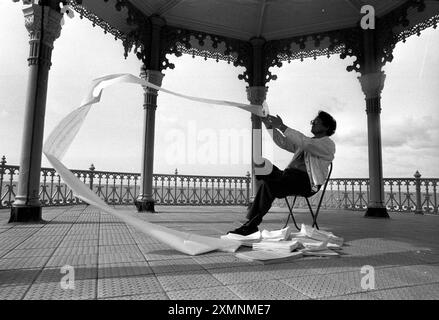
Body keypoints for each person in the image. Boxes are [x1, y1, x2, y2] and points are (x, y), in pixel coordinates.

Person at [228, 111, 337, 236]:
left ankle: (251, 225)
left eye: (315, 122)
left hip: (306, 182)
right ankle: (270, 191)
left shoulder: (327, 144)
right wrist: (268, 124)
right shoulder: (306, 142)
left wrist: (281, 126)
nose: (312, 124)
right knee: (261, 165)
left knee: (269, 185)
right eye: (312, 122)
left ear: (326, 127)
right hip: (288, 176)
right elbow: (283, 142)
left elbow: (305, 143)